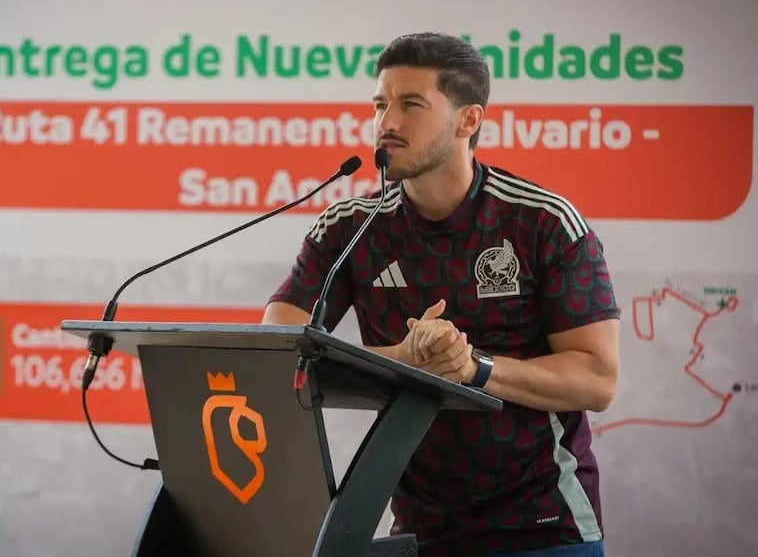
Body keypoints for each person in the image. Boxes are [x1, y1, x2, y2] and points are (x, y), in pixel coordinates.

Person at [262, 32, 621, 557]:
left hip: (543, 527)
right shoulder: (350, 227)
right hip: (418, 532)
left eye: (411, 105)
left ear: (468, 120)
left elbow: (598, 379)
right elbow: (276, 354)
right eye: (380, 104)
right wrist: (398, 363)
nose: (387, 122)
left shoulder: (543, 222)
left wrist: (474, 367)